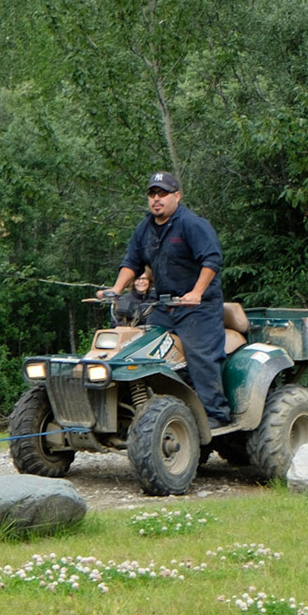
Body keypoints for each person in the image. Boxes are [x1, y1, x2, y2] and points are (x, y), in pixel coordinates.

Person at [105, 171, 233, 428]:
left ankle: (216, 415)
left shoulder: (192, 224)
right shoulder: (145, 229)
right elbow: (132, 262)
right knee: (139, 349)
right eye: (152, 194)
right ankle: (141, 411)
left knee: (200, 354)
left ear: (177, 196)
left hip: (199, 308)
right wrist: (116, 289)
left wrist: (196, 293)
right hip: (163, 306)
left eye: (162, 193)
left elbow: (211, 260)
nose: (156, 199)